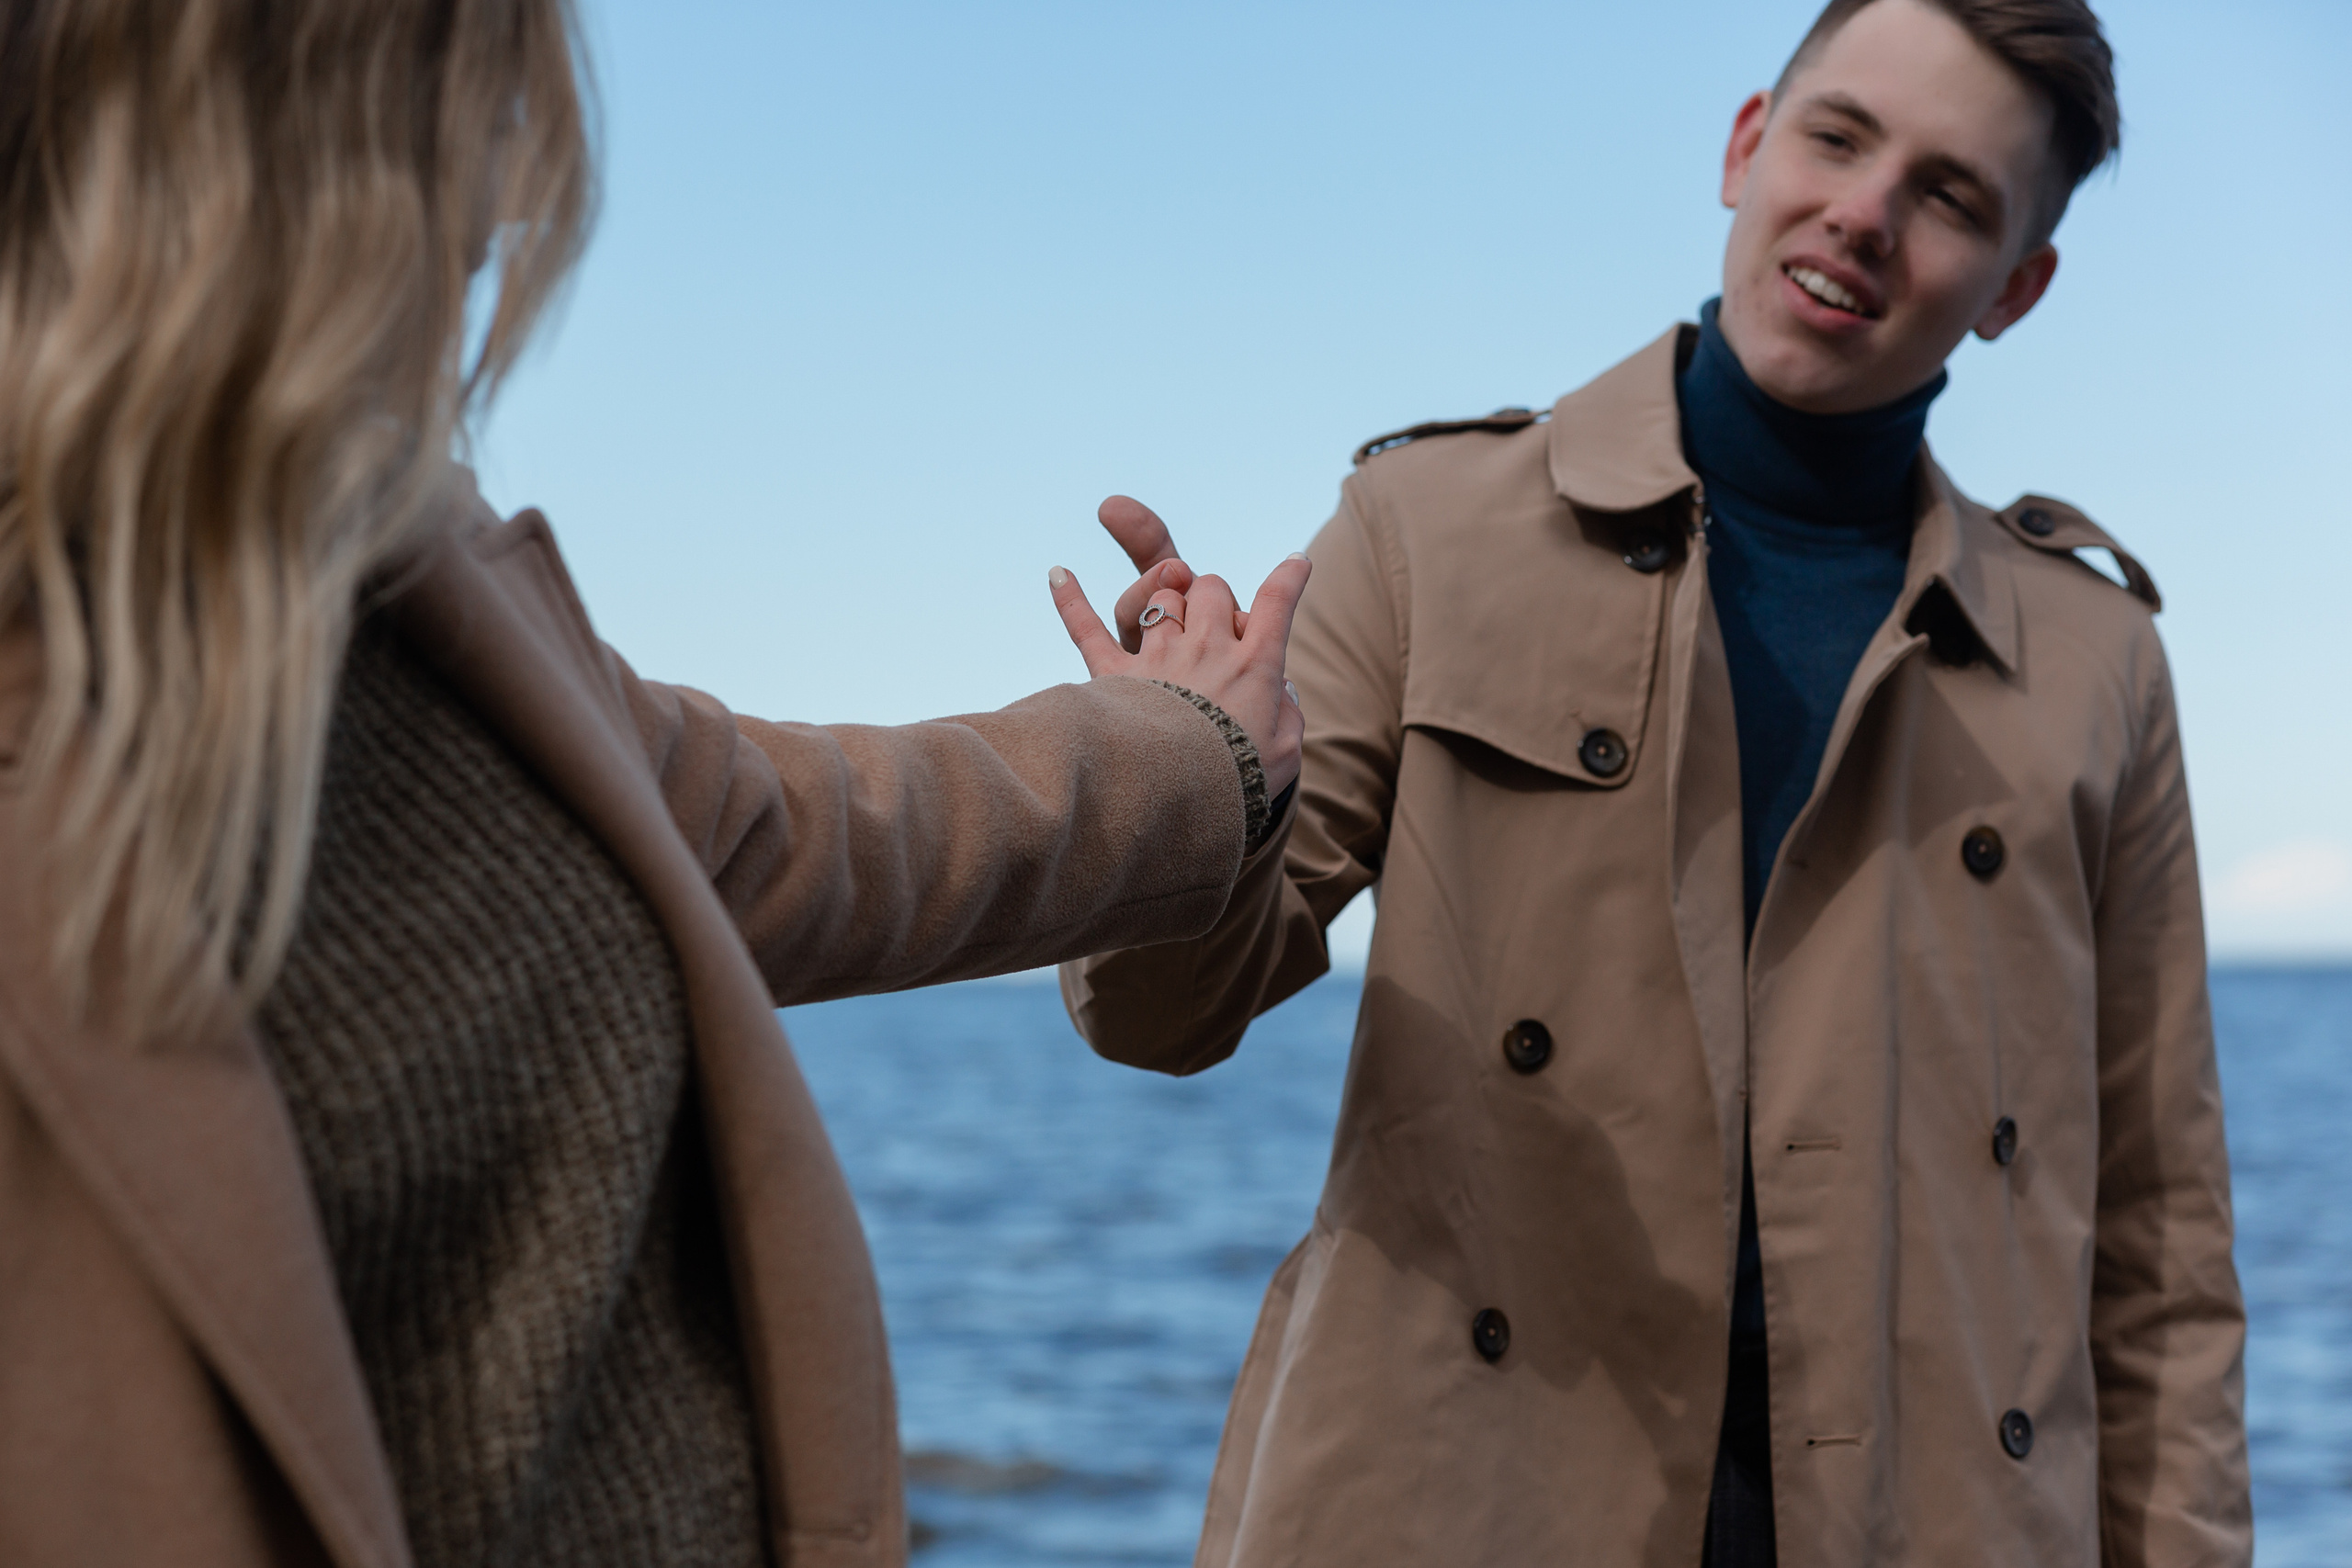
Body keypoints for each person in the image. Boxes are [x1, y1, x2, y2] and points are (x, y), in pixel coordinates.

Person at [0, 2, 1306, 1564]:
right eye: (476, 123)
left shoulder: (407, 588)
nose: (508, 206)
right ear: (272, 147)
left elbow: (832, 830)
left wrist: (1191, 745)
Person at [1064, 1, 2247, 1564]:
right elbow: (1161, 1019)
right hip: (1455, 1511)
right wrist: (1179, 776)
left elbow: (2165, 1251)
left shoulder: (2097, 661)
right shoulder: (1427, 529)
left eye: (1952, 196)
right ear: (1747, 145)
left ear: (2017, 287)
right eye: (1837, 138)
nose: (1865, 214)